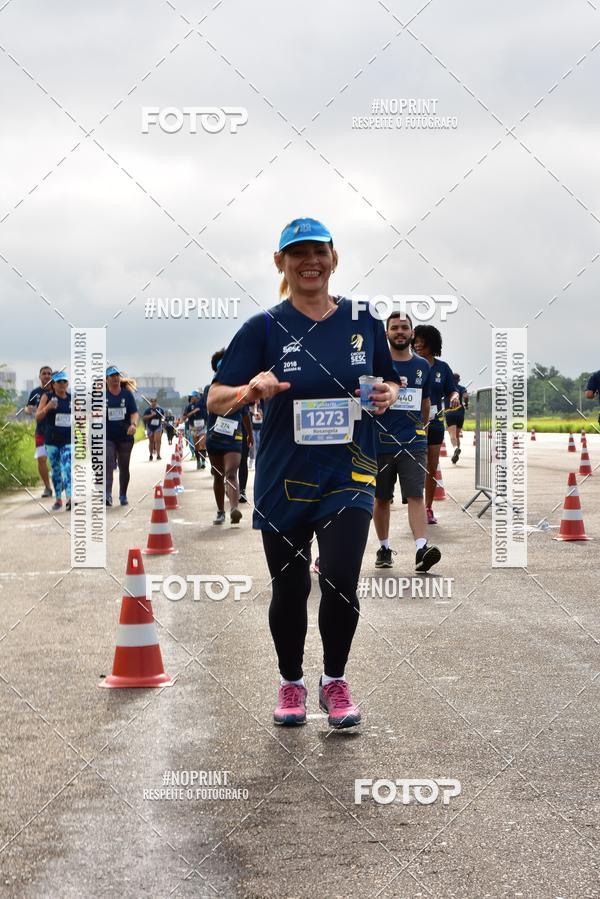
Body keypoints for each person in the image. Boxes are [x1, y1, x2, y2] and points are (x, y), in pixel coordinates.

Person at [208, 217, 399, 729]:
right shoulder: (263, 327)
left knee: (340, 579)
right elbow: (215, 400)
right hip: (283, 477)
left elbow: (392, 380)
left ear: (334, 258)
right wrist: (252, 389)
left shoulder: (362, 318)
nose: (309, 261)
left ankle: (334, 680)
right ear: (281, 263)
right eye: (298, 253)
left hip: (351, 472)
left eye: (319, 251)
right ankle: (291, 681)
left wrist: (389, 393)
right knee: (289, 588)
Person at [373, 313, 441, 572]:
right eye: (394, 328)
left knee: (415, 495)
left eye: (404, 328)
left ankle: (421, 549)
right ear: (387, 334)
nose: (399, 332)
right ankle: (384, 547)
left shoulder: (422, 365)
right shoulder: (376, 364)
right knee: (381, 498)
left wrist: (420, 431)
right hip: (380, 443)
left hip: (413, 443)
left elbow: (425, 403)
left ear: (412, 333)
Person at [412, 325, 460, 524]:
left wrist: (455, 396)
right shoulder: (408, 364)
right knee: (411, 467)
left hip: (435, 423)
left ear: (433, 344)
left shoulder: (442, 368)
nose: (419, 344)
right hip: (411, 423)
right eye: (416, 341)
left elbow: (452, 390)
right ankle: (411, 501)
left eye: (424, 341)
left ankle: (427, 508)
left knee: (431, 467)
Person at [206, 349, 247, 525]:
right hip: (215, 437)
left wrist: (250, 435)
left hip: (234, 437)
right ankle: (220, 511)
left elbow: (245, 415)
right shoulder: (211, 390)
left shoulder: (238, 389)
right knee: (218, 475)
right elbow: (210, 408)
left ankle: (234, 509)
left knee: (231, 473)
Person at [35, 371, 72, 511]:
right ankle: (58, 499)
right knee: (56, 470)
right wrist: (48, 407)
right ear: (53, 384)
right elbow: (38, 417)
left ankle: (70, 498)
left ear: (67, 384)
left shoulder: (71, 399)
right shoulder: (47, 397)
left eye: (64, 382)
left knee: (67, 467)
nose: (62, 384)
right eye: (59, 382)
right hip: (51, 441)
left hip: (68, 441)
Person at [105, 366, 139, 506]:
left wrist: (134, 425)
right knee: (108, 464)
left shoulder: (127, 394)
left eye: (117, 376)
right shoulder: (101, 396)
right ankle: (107, 494)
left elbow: (134, 413)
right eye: (112, 376)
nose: (115, 378)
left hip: (125, 436)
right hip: (108, 436)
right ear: (107, 380)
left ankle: (123, 495)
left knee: (124, 467)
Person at [26, 365, 53, 498]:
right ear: (40, 376)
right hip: (41, 431)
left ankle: (61, 480)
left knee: (58, 459)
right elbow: (28, 407)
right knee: (41, 459)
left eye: (49, 373)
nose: (47, 376)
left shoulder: (58, 391)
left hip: (57, 433)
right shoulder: (35, 392)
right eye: (44, 374)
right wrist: (28, 410)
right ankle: (47, 487)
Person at [446, 373, 469, 464]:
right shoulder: (462, 388)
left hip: (450, 412)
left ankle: (455, 449)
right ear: (459, 380)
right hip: (460, 413)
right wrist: (466, 404)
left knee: (452, 435)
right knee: (457, 435)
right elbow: (466, 396)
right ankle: (457, 454)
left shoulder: (447, 388)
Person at [182, 391, 207, 470]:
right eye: (191, 397)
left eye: (193, 397)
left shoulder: (203, 405)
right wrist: (194, 411)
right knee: (196, 446)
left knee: (202, 444)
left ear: (197, 397)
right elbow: (184, 417)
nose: (191, 398)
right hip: (193, 428)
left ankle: (203, 462)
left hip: (203, 427)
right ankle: (198, 461)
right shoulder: (189, 407)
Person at [237, 405, 254, 503]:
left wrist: (250, 435)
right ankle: (231, 486)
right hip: (227, 433)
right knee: (231, 463)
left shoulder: (243, 394)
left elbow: (246, 415)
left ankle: (242, 490)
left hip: (242, 433)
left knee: (243, 461)